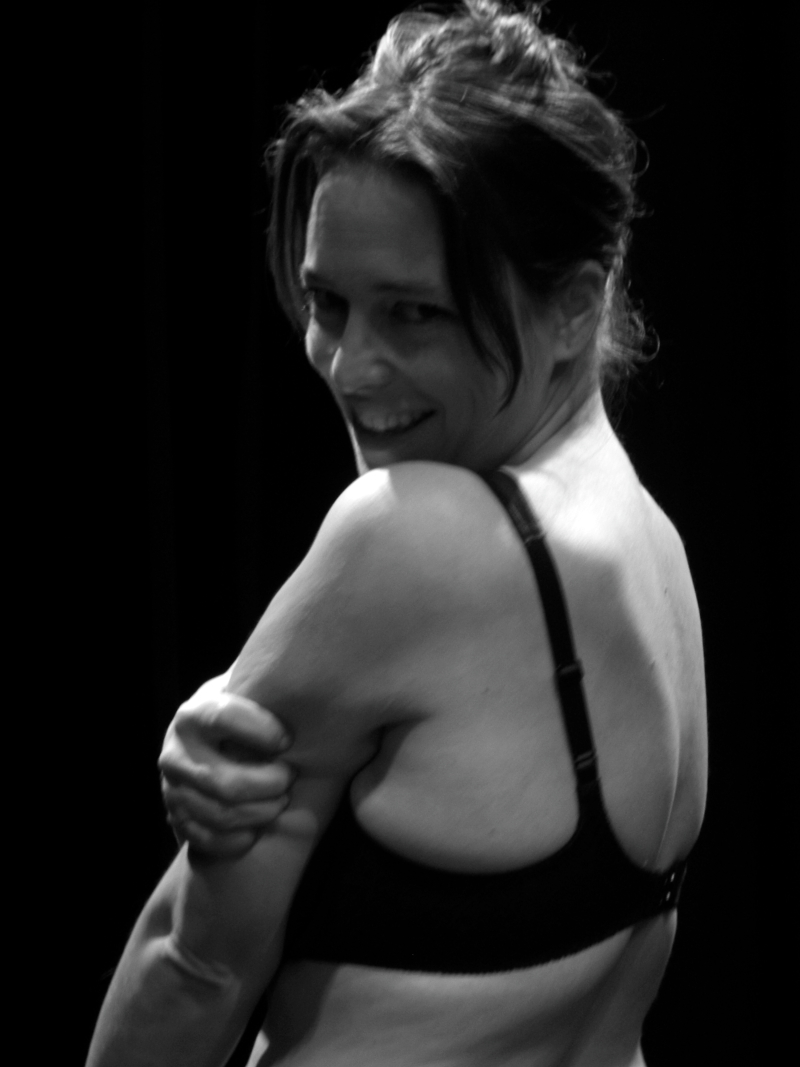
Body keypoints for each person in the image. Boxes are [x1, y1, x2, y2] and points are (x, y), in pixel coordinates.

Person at [88, 2, 707, 1064]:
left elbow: (189, 969)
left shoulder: (411, 538)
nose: (349, 365)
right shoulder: (659, 561)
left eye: (414, 312)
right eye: (328, 303)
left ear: (573, 305)